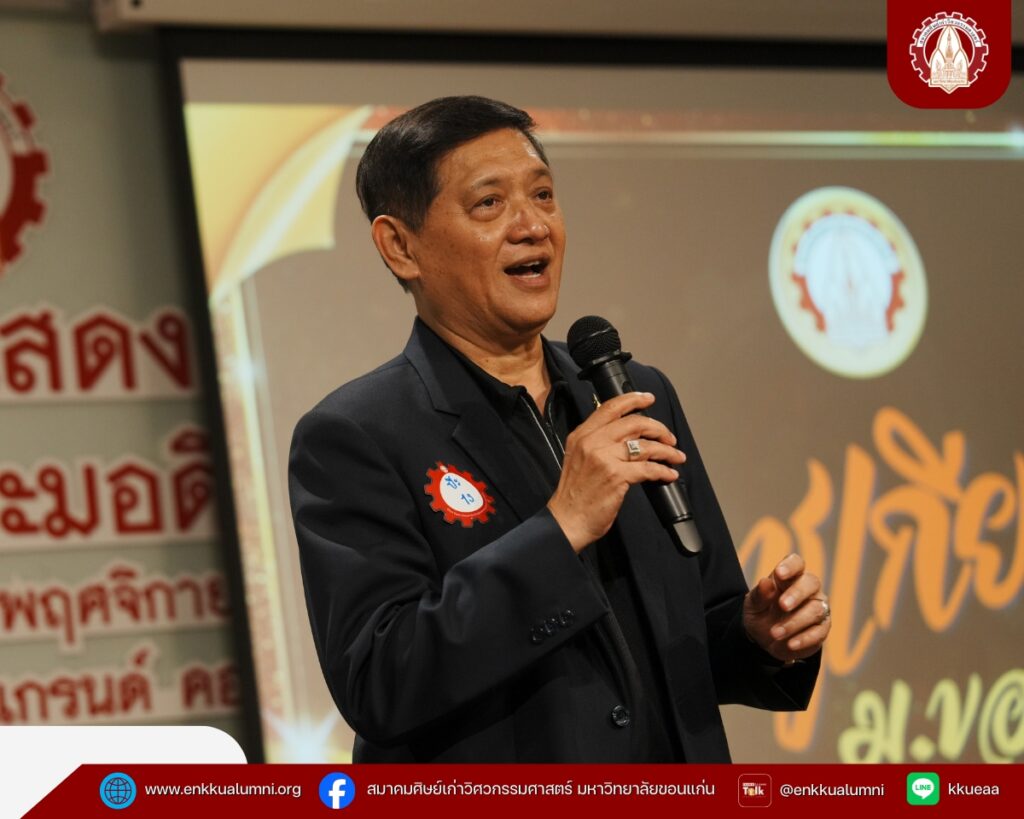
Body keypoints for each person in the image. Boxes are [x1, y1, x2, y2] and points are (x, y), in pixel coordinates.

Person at [289, 95, 831, 763]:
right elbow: (382, 680)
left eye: (543, 195)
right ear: (400, 247)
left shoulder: (634, 393)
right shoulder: (356, 435)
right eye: (490, 203)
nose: (533, 226)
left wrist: (759, 637)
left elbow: (698, 630)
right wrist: (562, 525)